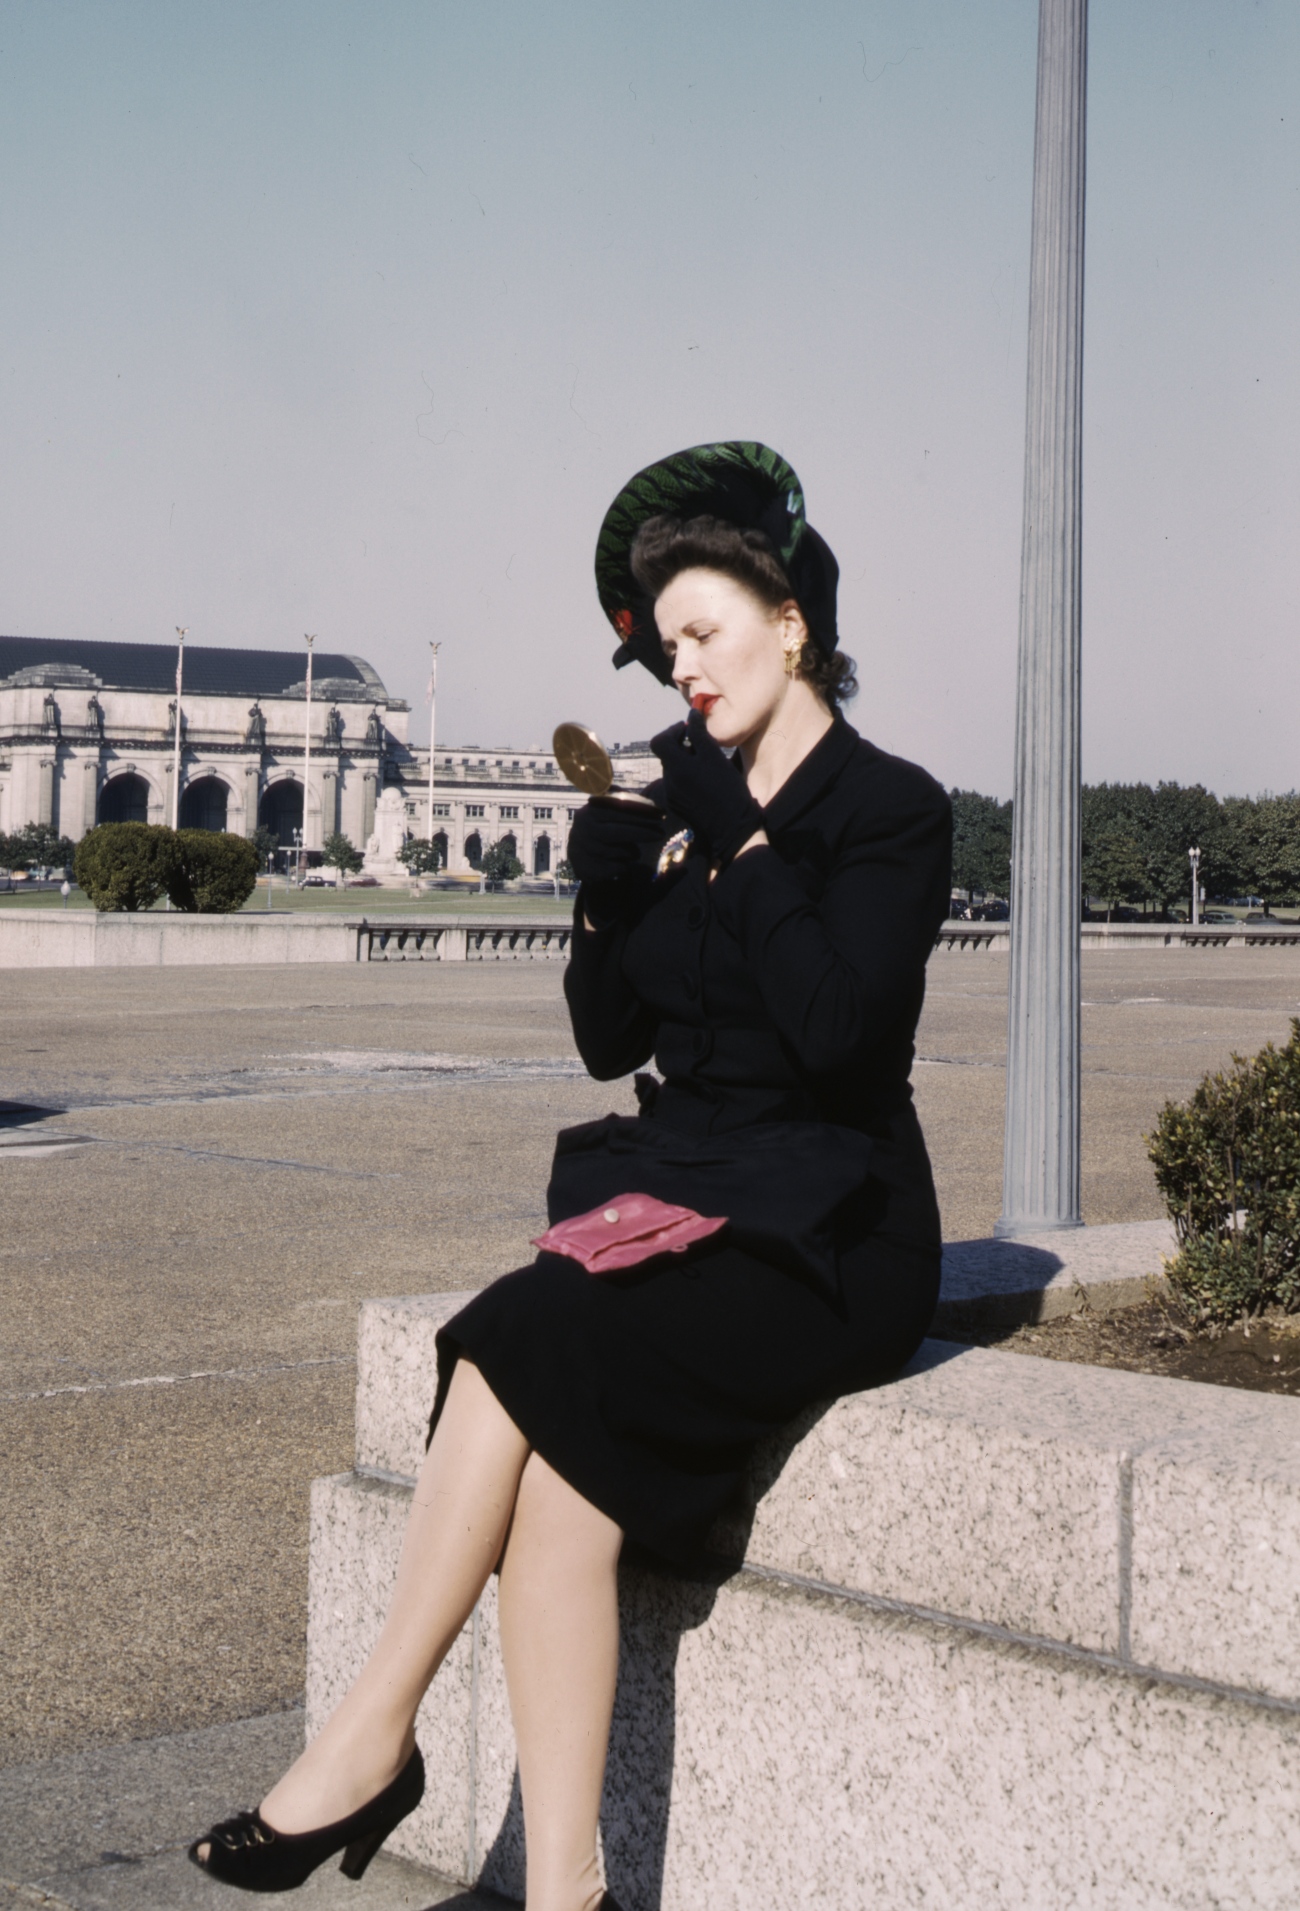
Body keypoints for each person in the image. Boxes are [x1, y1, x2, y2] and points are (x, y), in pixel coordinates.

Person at [188, 441, 951, 1909]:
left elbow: (842, 1030)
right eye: (669, 652)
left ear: (794, 628)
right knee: (560, 1501)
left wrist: (732, 831)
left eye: (707, 635)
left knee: (517, 1326)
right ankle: (568, 1892)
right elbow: (613, 1046)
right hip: (687, 1187)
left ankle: (369, 1735)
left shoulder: (892, 812)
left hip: (834, 1223)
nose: (686, 674)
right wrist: (605, 900)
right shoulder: (680, 799)